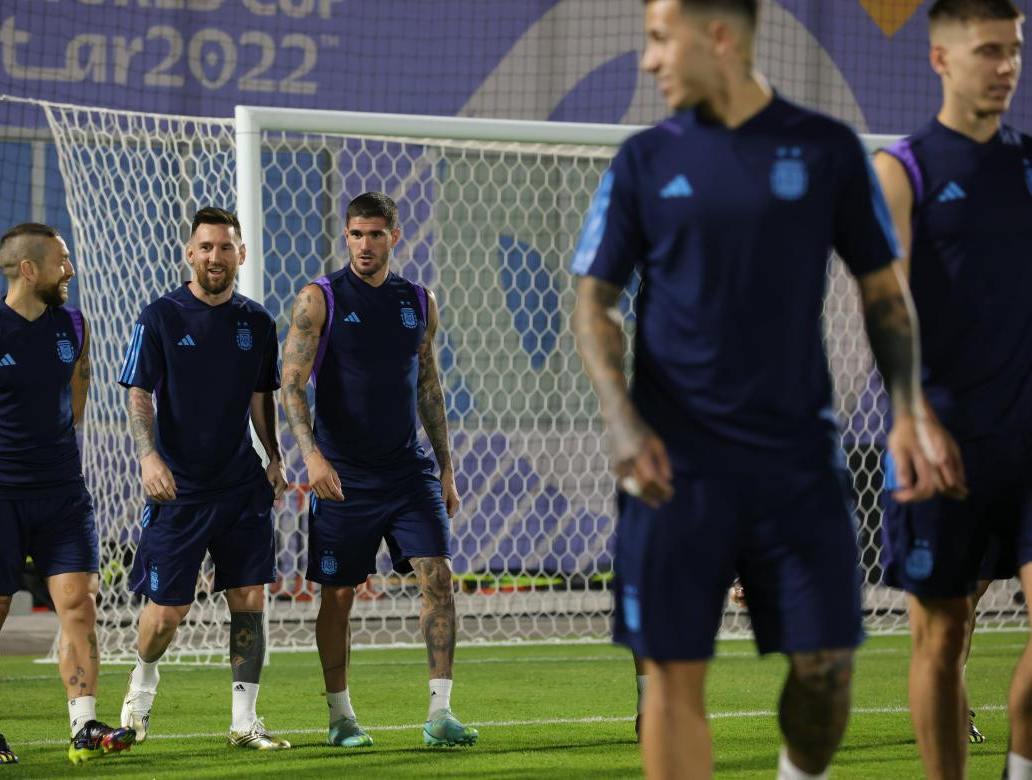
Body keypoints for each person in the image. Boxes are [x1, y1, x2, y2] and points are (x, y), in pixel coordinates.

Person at [570, 1, 964, 778]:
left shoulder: (823, 150)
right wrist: (620, 418)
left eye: (659, 39)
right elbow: (593, 302)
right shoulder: (644, 160)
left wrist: (910, 410)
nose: (649, 61)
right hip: (673, 472)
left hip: (798, 466)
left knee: (827, 671)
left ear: (719, 37)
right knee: (671, 676)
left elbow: (885, 293)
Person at [872, 1, 1031, 775]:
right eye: (989, 51)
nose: (1006, 66)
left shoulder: (1030, 164)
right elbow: (885, 299)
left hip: (1031, 436)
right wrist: (908, 415)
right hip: (943, 443)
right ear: (940, 59)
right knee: (944, 637)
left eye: (1016, 50)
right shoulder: (903, 169)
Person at [280, 191, 478, 748]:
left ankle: (440, 714)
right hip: (343, 475)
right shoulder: (318, 299)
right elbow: (291, 384)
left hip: (408, 472)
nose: (364, 244)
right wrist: (311, 456)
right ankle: (341, 717)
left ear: (395, 235)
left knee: (437, 577)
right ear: (346, 237)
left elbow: (429, 384)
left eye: (374, 234)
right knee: (338, 596)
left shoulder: (419, 300)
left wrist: (445, 467)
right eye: (355, 234)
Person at [0, 223, 135, 765]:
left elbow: (76, 399)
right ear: (29, 269)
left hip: (64, 493)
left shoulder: (74, 326)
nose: (69, 270)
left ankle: (85, 725)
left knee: (80, 604)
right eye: (60, 262)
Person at [116, 207, 290, 751]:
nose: (216, 257)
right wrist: (148, 457)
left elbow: (263, 398)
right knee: (168, 611)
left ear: (241, 254)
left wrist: (275, 457)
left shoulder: (258, 322)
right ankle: (141, 684)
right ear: (190, 253)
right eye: (206, 247)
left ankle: (244, 721)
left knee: (249, 601)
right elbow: (139, 393)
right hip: (179, 489)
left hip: (241, 486)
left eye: (226, 247)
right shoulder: (159, 316)